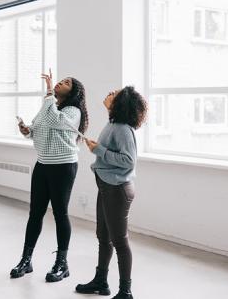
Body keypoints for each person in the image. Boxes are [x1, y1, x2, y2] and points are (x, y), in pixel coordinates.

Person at [10, 69, 89, 283]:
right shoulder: (49, 106)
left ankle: (62, 264)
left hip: (63, 166)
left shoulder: (73, 111)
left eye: (65, 83)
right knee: (35, 213)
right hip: (43, 164)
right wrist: (27, 130)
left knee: (60, 214)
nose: (58, 83)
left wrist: (48, 92)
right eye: (59, 81)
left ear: (73, 92)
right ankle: (26, 260)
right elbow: (38, 127)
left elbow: (55, 121)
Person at [75, 86, 147, 298]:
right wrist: (99, 148)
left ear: (120, 102)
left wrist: (98, 150)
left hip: (117, 190)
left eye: (114, 93)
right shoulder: (114, 123)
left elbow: (128, 161)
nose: (109, 93)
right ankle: (101, 281)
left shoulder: (123, 128)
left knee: (120, 241)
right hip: (107, 187)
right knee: (103, 237)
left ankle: (126, 291)